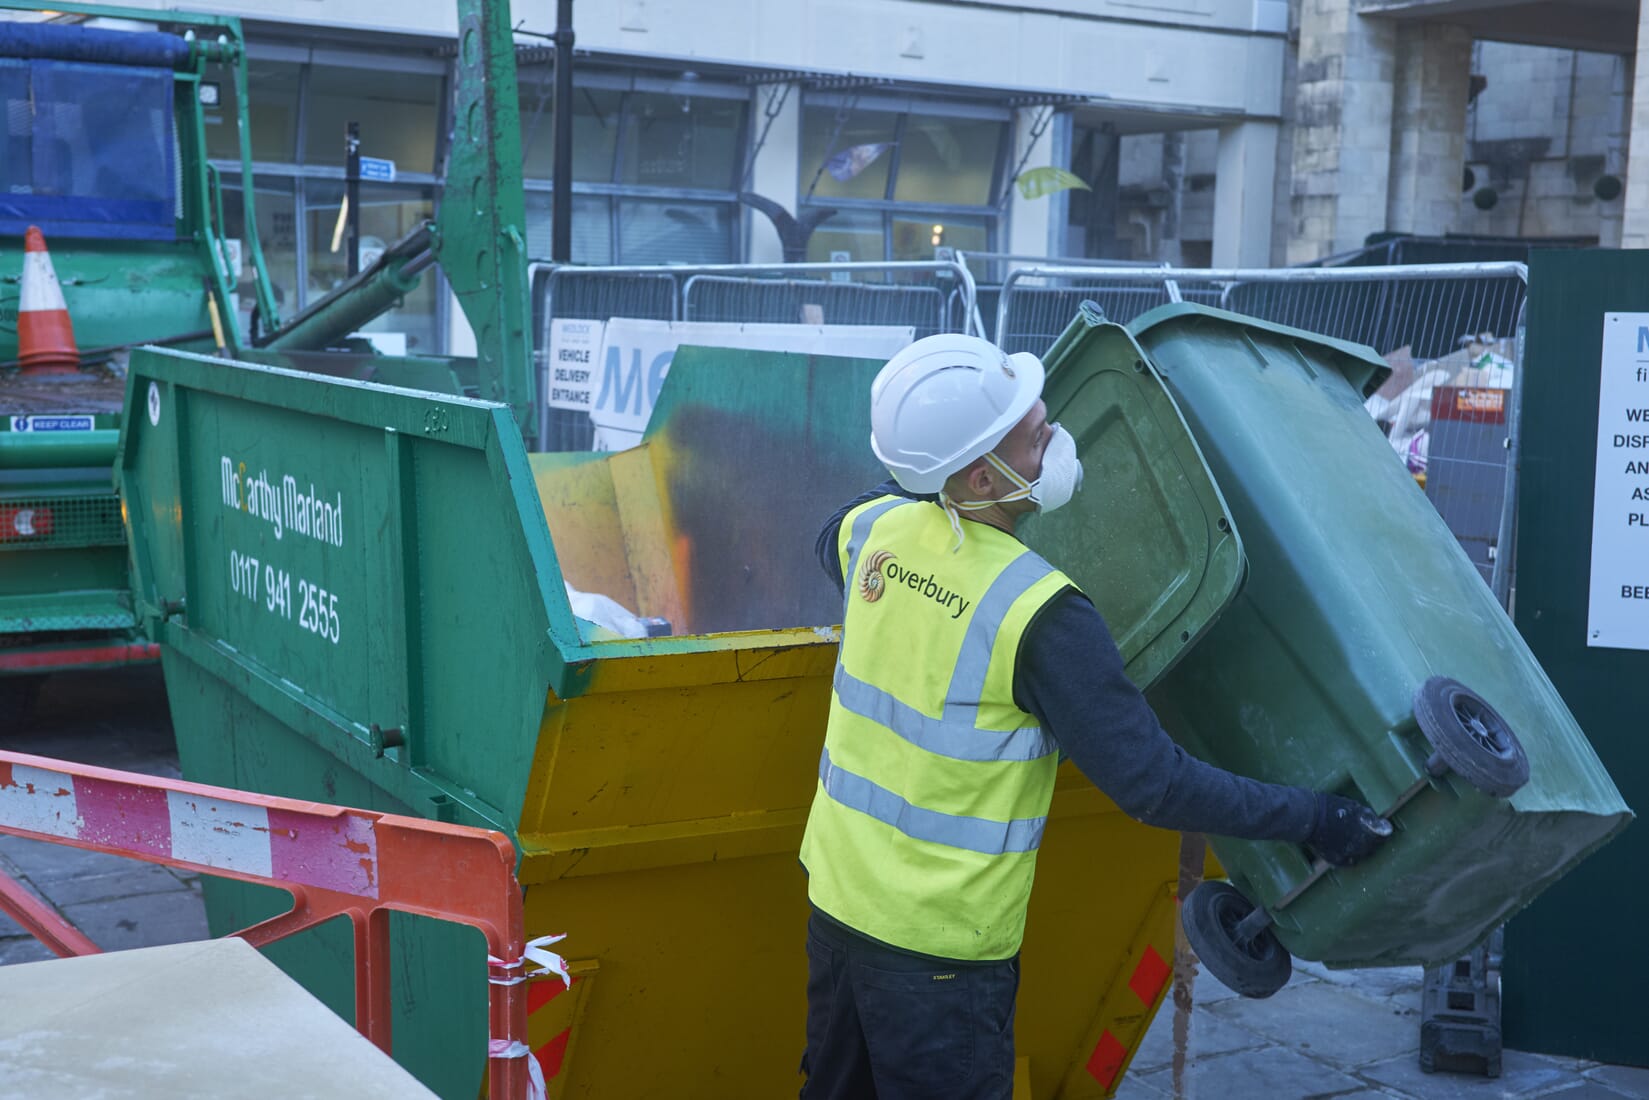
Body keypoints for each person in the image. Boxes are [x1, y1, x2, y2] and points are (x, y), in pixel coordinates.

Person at [797, 333, 1391, 1100]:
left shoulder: (873, 532)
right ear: (982, 474)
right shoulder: (1038, 614)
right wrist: (1313, 817)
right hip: (940, 955)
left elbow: (832, 536)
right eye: (1037, 436)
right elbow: (1154, 787)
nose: (1057, 443)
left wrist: (923, 479)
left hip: (838, 907)